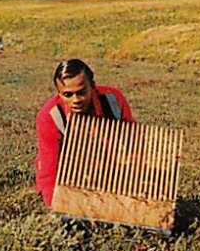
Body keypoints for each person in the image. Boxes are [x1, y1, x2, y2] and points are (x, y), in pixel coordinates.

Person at [35, 59, 135, 208]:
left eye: (81, 92)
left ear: (92, 87)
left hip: (110, 165)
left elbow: (134, 142)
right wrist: (56, 206)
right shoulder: (49, 117)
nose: (76, 100)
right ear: (59, 93)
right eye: (68, 95)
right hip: (71, 171)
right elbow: (49, 171)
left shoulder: (113, 99)